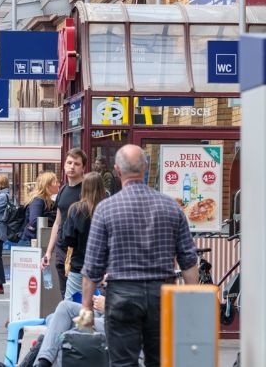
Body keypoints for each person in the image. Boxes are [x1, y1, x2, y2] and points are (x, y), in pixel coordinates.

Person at [78, 145, 199, 367]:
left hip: (122, 295)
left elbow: (93, 265)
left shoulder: (106, 209)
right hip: (162, 295)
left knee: (123, 363)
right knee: (160, 361)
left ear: (116, 170)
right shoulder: (171, 207)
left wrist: (86, 307)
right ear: (145, 168)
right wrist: (193, 301)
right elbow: (188, 260)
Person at [42, 148, 86, 299]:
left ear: (83, 168)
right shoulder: (62, 190)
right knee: (64, 292)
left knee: (77, 295)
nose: (72, 166)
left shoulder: (87, 190)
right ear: (64, 166)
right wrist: (48, 252)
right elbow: (57, 223)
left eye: (77, 164)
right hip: (62, 250)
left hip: (80, 251)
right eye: (69, 162)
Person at [60, 172, 105, 302]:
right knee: (97, 308)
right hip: (101, 270)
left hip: (79, 267)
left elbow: (68, 239)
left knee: (70, 306)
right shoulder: (107, 210)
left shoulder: (76, 209)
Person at [34, 295, 106, 367]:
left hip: (113, 321)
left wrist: (107, 305)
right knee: (62, 309)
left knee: (60, 326)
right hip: (102, 313)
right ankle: (43, 361)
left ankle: (42, 363)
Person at [20, 172, 58, 243]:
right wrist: (53, 219)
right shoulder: (38, 200)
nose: (58, 184)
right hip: (31, 242)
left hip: (38, 240)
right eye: (55, 182)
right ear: (47, 185)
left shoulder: (48, 201)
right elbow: (34, 221)